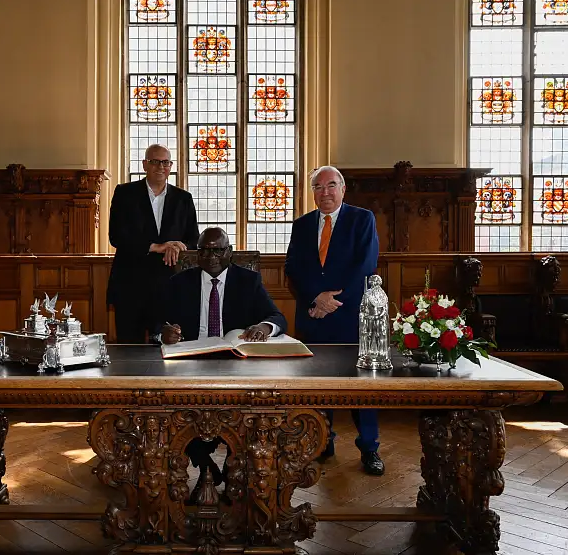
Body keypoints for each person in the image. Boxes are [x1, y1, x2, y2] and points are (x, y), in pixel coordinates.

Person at [159, 227, 287, 500]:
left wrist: (265, 327)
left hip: (236, 364)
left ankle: (232, 474)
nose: (211, 256)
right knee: (174, 412)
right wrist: (164, 333)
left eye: (218, 250)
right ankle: (206, 468)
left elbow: (277, 316)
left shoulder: (248, 280)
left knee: (245, 415)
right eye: (204, 250)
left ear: (229, 253)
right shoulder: (180, 282)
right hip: (190, 362)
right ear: (197, 254)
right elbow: (155, 320)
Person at [284, 166, 384, 476]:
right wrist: (317, 298)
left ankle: (370, 447)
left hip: (351, 316)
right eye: (318, 186)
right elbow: (293, 268)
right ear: (312, 192)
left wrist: (331, 302)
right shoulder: (301, 225)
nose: (324, 192)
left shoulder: (361, 218)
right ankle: (322, 441)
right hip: (313, 316)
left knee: (361, 387)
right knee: (318, 385)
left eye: (331, 185)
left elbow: (365, 266)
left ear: (342, 189)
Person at [107, 144, 200, 343]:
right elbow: (116, 236)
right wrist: (156, 247)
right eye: (155, 162)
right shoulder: (125, 193)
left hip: (170, 287)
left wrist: (177, 247)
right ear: (144, 165)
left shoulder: (184, 198)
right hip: (130, 286)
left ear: (171, 166)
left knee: (168, 350)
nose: (160, 167)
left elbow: (194, 240)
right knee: (129, 351)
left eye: (165, 162)